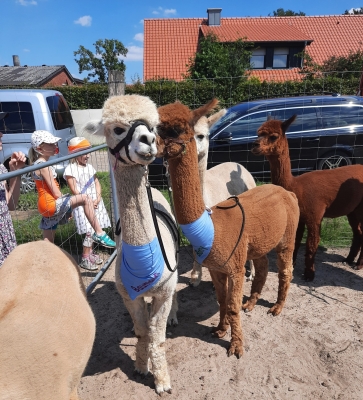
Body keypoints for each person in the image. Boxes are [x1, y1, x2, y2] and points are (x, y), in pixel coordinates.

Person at [28, 130, 115, 260]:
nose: (54, 146)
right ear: (39, 148)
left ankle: (43, 263)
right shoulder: (43, 165)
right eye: (50, 144)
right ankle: (99, 232)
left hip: (44, 205)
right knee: (85, 198)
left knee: (47, 242)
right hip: (51, 203)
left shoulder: (37, 164)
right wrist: (68, 205)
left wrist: (68, 207)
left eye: (54, 143)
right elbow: (56, 192)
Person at [64, 137, 112, 271]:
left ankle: (91, 253)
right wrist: (88, 201)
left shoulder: (90, 167)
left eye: (88, 152)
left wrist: (97, 198)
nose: (88, 155)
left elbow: (97, 183)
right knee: (89, 232)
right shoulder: (70, 169)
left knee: (95, 229)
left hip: (95, 202)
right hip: (82, 204)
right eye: (84, 152)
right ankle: (85, 256)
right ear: (75, 153)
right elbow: (74, 189)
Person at [0, 112, 27, 266]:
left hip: (6, 236)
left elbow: (11, 204)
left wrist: (15, 172)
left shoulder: (1, 169)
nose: (1, 134)